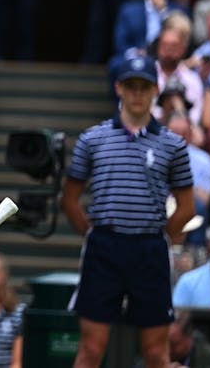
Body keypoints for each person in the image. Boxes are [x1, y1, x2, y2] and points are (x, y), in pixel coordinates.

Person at [60, 54, 196, 368]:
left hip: (149, 249)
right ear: (119, 88)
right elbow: (70, 199)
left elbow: (187, 207)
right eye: (131, 86)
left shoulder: (173, 145)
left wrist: (160, 235)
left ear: (155, 90)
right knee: (91, 349)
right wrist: (93, 232)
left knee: (155, 352)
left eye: (144, 87)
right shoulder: (93, 139)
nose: (137, 93)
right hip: (104, 248)